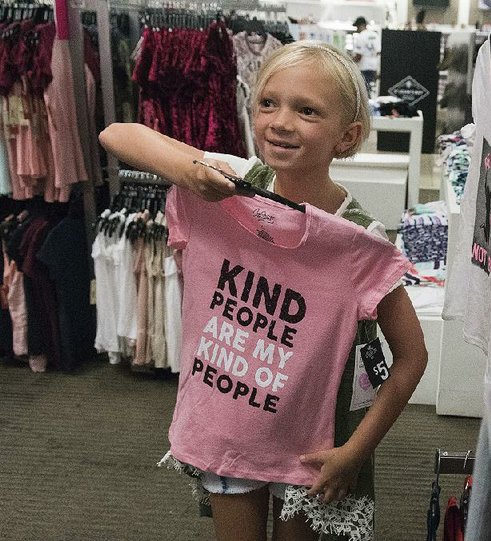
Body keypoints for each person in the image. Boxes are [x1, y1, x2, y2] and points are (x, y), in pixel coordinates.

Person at [99, 41, 428, 541]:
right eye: (268, 103)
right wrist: (188, 171)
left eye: (307, 110)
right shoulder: (226, 180)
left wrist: (356, 451)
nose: (280, 121)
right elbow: (116, 134)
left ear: (348, 137)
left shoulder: (357, 242)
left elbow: (411, 356)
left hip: (308, 440)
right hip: (227, 425)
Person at [351, 16, 380, 97]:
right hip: (373, 67)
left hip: (364, 67)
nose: (356, 29)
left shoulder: (361, 36)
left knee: (364, 91)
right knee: (371, 88)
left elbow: (359, 56)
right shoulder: (375, 35)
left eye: (357, 26)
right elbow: (378, 52)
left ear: (361, 25)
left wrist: (349, 62)